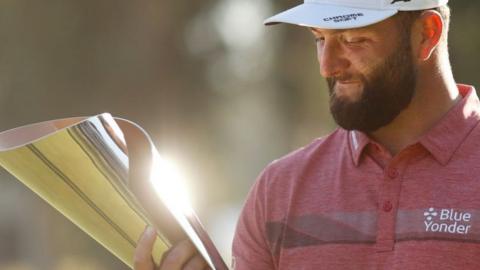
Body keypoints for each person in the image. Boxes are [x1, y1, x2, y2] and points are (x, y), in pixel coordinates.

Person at [135, 0, 480, 269]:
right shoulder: (280, 188)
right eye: (319, 39)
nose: (328, 65)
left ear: (427, 34)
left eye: (353, 39)